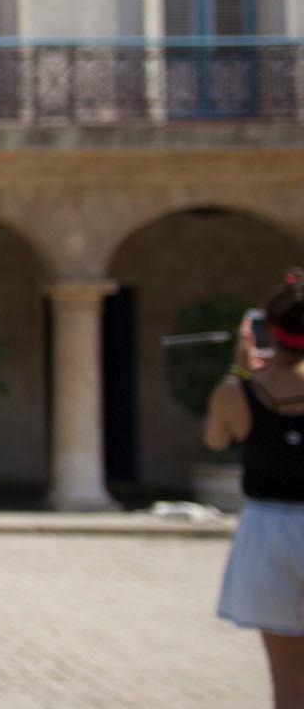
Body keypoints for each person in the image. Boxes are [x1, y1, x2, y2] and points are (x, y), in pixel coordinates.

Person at [207, 269, 304, 707]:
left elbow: (215, 439)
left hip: (268, 533)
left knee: (287, 685)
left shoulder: (237, 393)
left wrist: (239, 370)